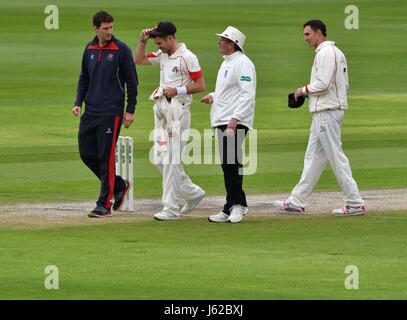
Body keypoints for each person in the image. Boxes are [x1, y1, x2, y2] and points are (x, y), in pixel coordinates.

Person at [273, 20, 366, 216]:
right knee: (314, 157)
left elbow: (322, 84)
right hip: (326, 111)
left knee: (336, 156)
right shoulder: (336, 53)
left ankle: (355, 203)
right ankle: (296, 201)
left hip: (326, 112)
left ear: (318, 33)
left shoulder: (325, 53)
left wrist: (303, 90)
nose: (305, 38)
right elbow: (343, 85)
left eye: (307, 34)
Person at [134, 21, 206, 221]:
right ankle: (193, 193)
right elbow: (138, 60)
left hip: (179, 111)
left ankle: (171, 208)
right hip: (162, 110)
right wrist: (142, 40)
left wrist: (178, 90)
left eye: (160, 42)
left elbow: (200, 85)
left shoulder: (187, 57)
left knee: (170, 159)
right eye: (155, 42)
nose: (158, 46)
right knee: (159, 157)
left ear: (170, 38)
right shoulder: (162, 55)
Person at [72, 11, 138, 218]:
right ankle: (119, 184)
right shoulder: (89, 48)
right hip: (90, 110)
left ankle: (104, 204)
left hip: (111, 112)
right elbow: (84, 78)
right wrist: (77, 103)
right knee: (86, 153)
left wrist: (130, 110)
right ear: (95, 29)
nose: (109, 31)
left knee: (106, 158)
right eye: (105, 28)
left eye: (111, 27)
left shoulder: (121, 50)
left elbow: (132, 81)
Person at [200, 26, 256, 223]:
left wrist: (235, 119)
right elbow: (230, 91)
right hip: (224, 119)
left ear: (232, 44)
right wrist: (213, 96)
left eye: (223, 40)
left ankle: (238, 205)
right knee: (228, 164)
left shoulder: (243, 63)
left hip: (234, 121)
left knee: (232, 163)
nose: (219, 42)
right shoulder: (227, 63)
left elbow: (247, 93)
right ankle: (229, 205)